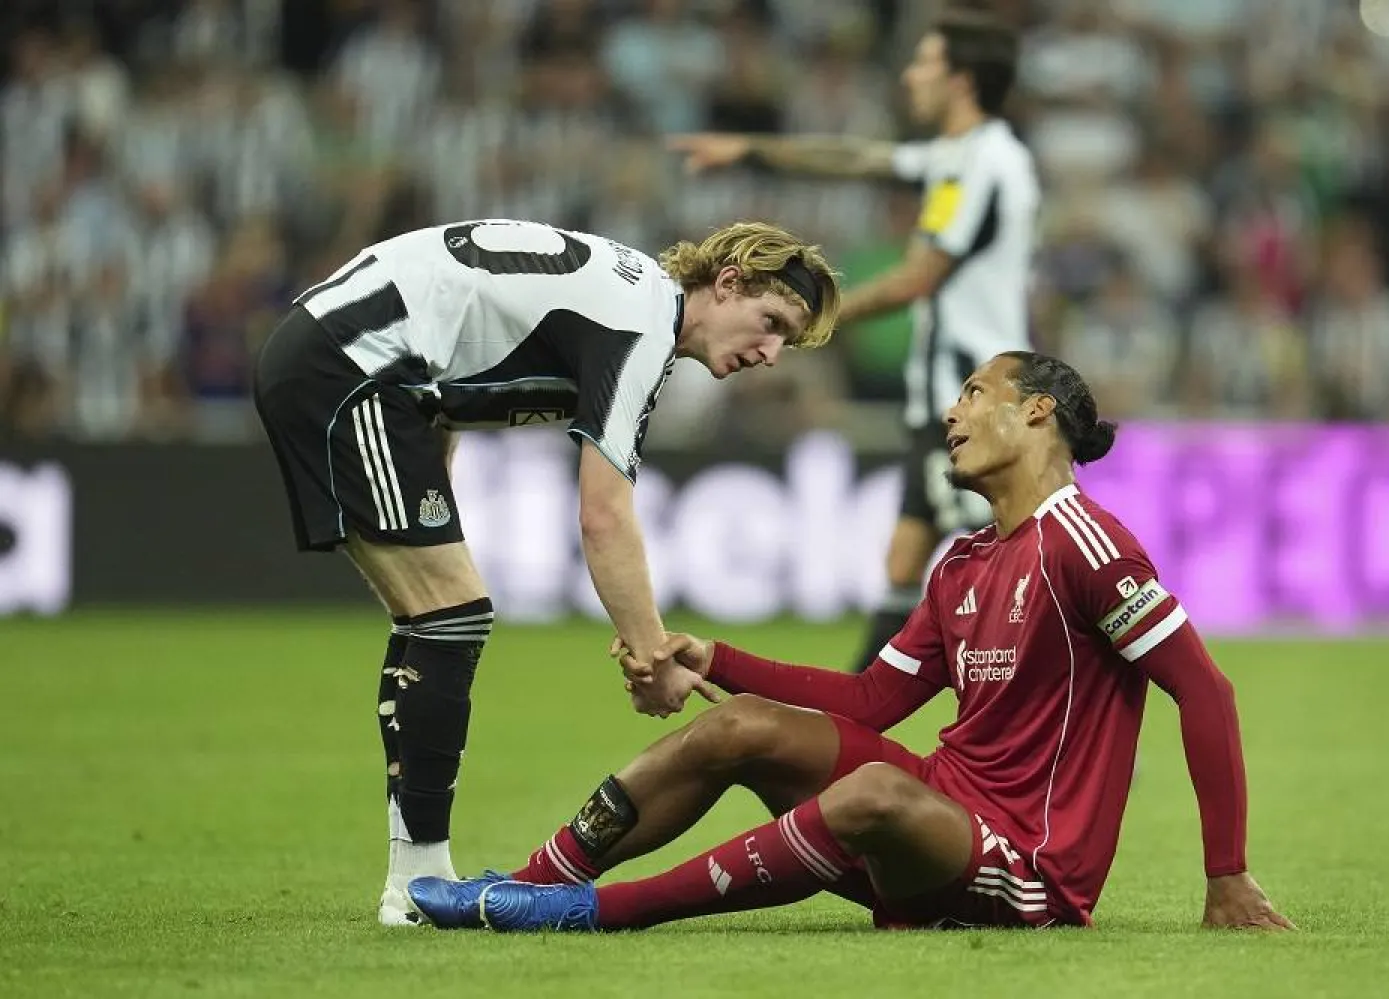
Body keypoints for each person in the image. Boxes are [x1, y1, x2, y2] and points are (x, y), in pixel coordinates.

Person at [404, 350, 1294, 934]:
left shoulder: (1087, 546)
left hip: (1028, 867)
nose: (952, 413)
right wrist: (716, 659)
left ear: (1037, 414)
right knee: (742, 724)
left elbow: (1205, 690)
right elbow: (873, 699)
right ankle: (529, 880)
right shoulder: (966, 560)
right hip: (936, 814)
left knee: (875, 788)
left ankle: (592, 912)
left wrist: (1227, 874)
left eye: (974, 393)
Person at [251, 218, 839, 926]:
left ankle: (415, 874)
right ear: (728, 282)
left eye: (787, 341)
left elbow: (455, 360)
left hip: (361, 366)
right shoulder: (641, 324)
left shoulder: (634, 299)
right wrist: (651, 655)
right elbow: (603, 515)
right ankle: (415, 882)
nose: (772, 352)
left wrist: (431, 492)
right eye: (770, 322)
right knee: (450, 615)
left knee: (436, 618)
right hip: (350, 368)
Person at [669, 8, 1040, 673]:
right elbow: (857, 158)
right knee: (906, 561)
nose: (910, 74)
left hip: (978, 396)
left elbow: (917, 277)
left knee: (1007, 555)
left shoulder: (981, 164)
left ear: (960, 79)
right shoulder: (959, 157)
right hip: (949, 396)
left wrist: (810, 322)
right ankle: (856, 724)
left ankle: (1057, 701)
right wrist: (752, 150)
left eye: (925, 61)